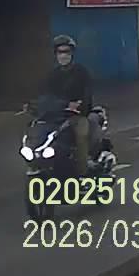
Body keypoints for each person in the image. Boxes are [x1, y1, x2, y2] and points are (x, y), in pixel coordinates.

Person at [43, 35, 93, 174]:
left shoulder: (81, 72)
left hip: (77, 116)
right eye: (60, 52)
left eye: (66, 52)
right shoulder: (52, 75)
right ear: (55, 54)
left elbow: (87, 96)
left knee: (81, 135)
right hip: (56, 116)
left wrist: (80, 107)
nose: (63, 55)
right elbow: (47, 96)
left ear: (72, 53)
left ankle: (83, 172)